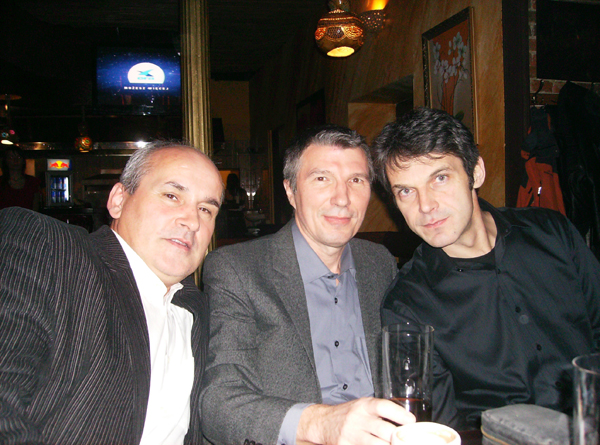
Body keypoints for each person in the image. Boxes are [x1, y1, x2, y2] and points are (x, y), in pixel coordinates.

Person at [371, 107, 600, 430]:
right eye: (406, 191)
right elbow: (438, 429)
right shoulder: (408, 305)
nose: (425, 206)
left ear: (475, 173)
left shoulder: (552, 233)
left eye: (439, 178)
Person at [200, 125, 415, 445]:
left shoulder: (379, 263)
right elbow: (219, 404)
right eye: (322, 178)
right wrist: (322, 424)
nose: (342, 198)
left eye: (356, 180)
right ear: (291, 191)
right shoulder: (238, 269)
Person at [0, 142, 224, 444]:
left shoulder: (201, 307)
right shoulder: (50, 249)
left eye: (206, 209)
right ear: (118, 200)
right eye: (172, 196)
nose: (193, 221)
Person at [0, 145, 42, 210]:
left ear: (23, 161)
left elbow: (35, 208)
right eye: (11, 157)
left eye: (19, 157)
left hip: (27, 216)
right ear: (6, 161)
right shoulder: (1, 182)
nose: (15, 160)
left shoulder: (33, 182)